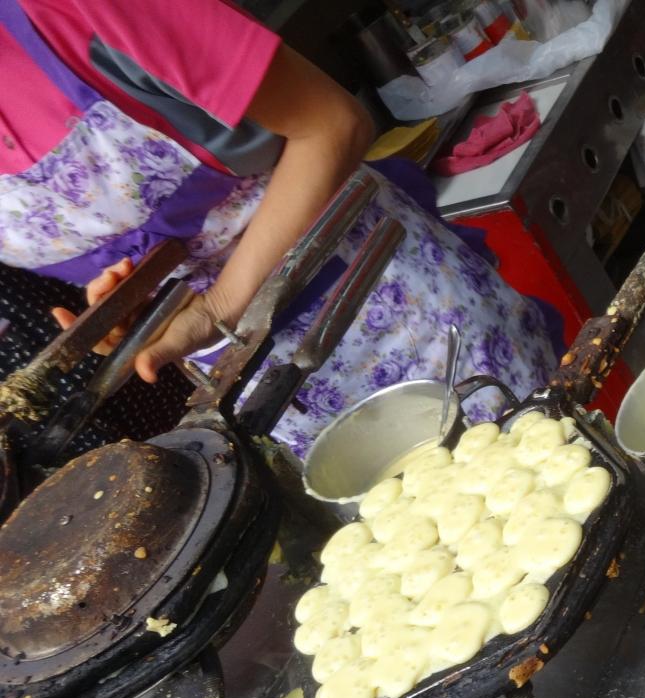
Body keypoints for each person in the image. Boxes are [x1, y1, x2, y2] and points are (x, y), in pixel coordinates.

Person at [0, 0, 560, 456]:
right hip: (265, 386)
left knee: (549, 469)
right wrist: (135, 313)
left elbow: (331, 125)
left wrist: (220, 304)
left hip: (387, 303)